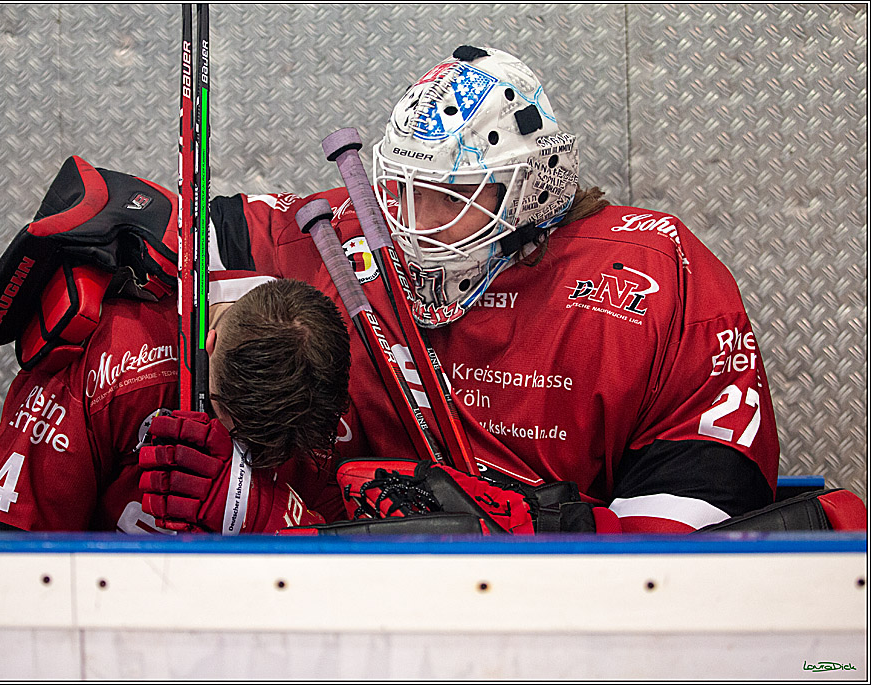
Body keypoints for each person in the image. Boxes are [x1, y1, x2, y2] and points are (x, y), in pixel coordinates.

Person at [142, 46, 786, 534]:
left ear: (533, 187)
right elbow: (199, 233)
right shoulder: (355, 234)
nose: (414, 226)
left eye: (452, 198)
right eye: (403, 190)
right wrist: (132, 222)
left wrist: (531, 529)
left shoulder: (656, 272)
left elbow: (696, 543)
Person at [0, 158, 351, 533]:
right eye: (242, 434)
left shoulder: (328, 366)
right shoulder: (113, 356)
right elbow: (0, 544)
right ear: (209, 346)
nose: (250, 454)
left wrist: (274, 514)